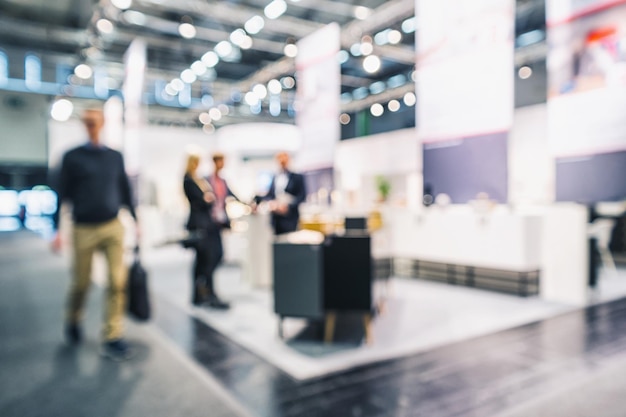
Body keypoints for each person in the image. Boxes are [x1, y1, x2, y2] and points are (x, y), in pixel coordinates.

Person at [51, 108, 138, 361]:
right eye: (87, 122)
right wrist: (56, 230)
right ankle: (73, 318)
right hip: (83, 228)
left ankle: (113, 335)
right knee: (81, 282)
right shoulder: (71, 157)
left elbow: (124, 189)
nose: (92, 126)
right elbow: (61, 194)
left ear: (102, 123)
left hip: (112, 226)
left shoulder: (114, 157)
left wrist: (136, 219)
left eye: (95, 122)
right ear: (83, 124)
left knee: (116, 281)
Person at [183, 153, 230, 309]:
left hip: (210, 224)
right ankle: (205, 293)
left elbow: (213, 198)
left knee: (208, 259)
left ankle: (203, 292)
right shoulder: (189, 179)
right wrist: (206, 199)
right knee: (206, 259)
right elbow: (202, 200)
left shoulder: (201, 179)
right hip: (201, 226)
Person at [263, 151, 306, 235]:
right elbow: (269, 195)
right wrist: (272, 204)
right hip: (276, 217)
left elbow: (302, 196)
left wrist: (288, 206)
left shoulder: (297, 177)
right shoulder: (275, 177)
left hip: (290, 217)